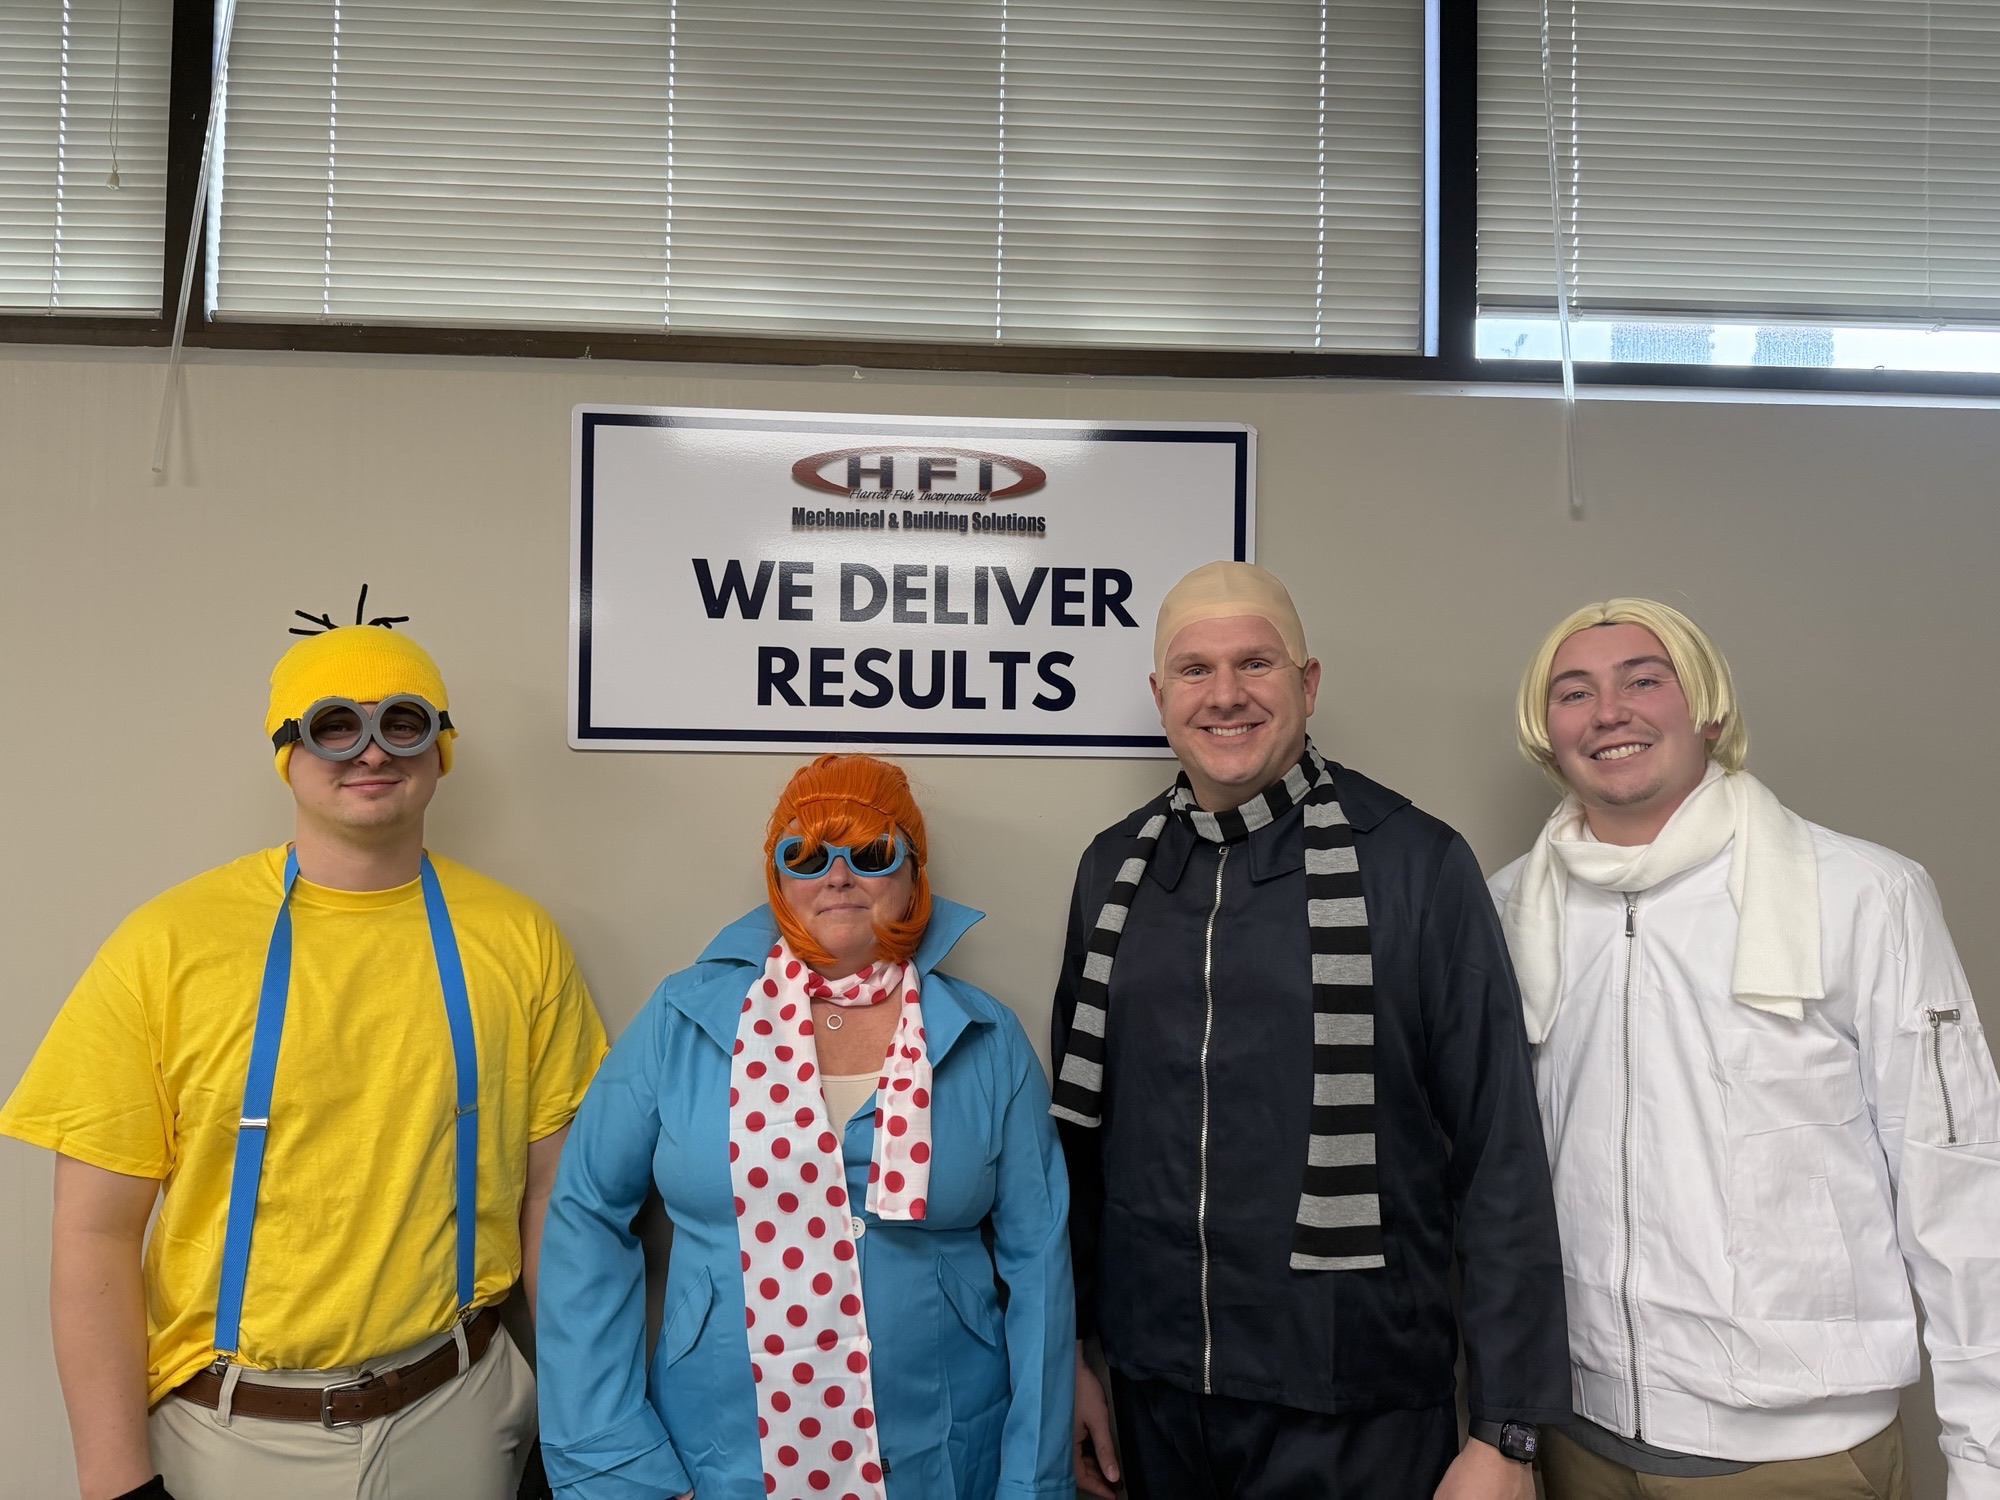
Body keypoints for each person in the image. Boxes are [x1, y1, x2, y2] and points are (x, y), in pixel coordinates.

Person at [0, 610, 608, 1500]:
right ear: (287, 751)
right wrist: (115, 1484)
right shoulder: (166, 946)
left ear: (441, 748)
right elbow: (95, 1231)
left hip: (461, 1409)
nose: (372, 751)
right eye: (335, 725)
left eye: (403, 721)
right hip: (229, 1432)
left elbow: (555, 1197)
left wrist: (584, 1420)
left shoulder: (519, 940)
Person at [1051, 561, 1569, 1500]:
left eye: (1256, 663)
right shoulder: (1113, 872)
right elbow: (1080, 1149)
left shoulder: (1416, 864)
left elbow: (1500, 1154)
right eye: (1195, 669)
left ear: (1309, 683)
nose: (1226, 695)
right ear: (1161, 695)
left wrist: (1507, 1430)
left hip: (1357, 1400)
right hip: (1156, 1392)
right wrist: (1074, 1357)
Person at [1491, 598, 2000, 1499]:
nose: (1609, 711)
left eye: (1644, 680)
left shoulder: (1863, 895)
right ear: (1546, 733)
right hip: (1578, 1439)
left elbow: (1959, 1189)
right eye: (1574, 692)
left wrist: (1985, 1460)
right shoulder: (1506, 910)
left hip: (1799, 1456)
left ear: (1708, 710)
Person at [536, 753, 1074, 1500]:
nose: (838, 876)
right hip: (715, 1462)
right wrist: (612, 1455)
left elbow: (1039, 1263)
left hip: (942, 1462)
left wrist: (1033, 1483)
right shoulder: (680, 1019)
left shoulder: (986, 1037)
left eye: (872, 854)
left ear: (914, 875)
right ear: (778, 878)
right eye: (808, 855)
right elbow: (583, 1214)